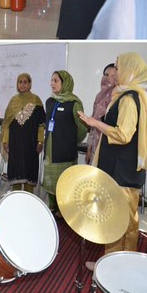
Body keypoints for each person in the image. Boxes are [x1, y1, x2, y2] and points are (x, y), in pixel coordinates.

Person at [79, 52, 147, 253]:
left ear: (130, 71)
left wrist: (95, 123)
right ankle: (112, 262)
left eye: (119, 68)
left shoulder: (129, 99)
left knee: (121, 221)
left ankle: (118, 267)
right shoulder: (124, 95)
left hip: (122, 172)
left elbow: (123, 135)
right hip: (120, 169)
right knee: (118, 219)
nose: (115, 72)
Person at [42, 71, 87, 211]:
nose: (52, 83)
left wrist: (71, 140)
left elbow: (82, 128)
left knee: (64, 182)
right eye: (51, 80)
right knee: (50, 180)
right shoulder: (49, 101)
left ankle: (64, 211)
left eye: (56, 81)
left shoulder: (74, 103)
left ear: (65, 83)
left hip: (65, 150)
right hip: (50, 148)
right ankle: (52, 207)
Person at [1, 73, 45, 193]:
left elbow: (41, 124)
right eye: (20, 82)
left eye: (25, 82)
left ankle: (28, 198)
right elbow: (7, 124)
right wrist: (5, 140)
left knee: (29, 170)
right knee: (16, 171)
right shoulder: (13, 101)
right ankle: (16, 197)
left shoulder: (37, 101)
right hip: (15, 143)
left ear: (30, 84)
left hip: (30, 143)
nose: (22, 84)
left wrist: (40, 141)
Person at [85, 64, 119, 166]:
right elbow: (92, 127)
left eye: (113, 75)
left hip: (109, 148)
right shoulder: (99, 97)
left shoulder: (119, 98)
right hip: (95, 145)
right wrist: (89, 148)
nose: (108, 78)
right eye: (106, 74)